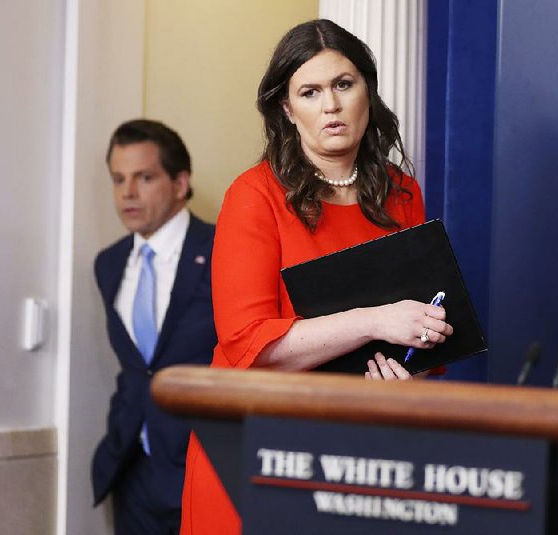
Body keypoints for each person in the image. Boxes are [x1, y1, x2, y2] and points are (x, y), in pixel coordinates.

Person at [180, 19, 454, 534]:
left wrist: (409, 372)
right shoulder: (254, 196)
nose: (330, 105)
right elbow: (249, 346)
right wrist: (375, 321)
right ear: (287, 109)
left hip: (361, 446)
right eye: (310, 91)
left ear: (366, 91)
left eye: (343, 85)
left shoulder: (401, 193)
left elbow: (419, 329)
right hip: (257, 446)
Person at [91, 119, 217, 535]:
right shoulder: (108, 264)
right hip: (131, 467)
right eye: (118, 179)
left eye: (144, 177)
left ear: (180, 184)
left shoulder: (223, 249)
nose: (127, 193)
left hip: (205, 464)